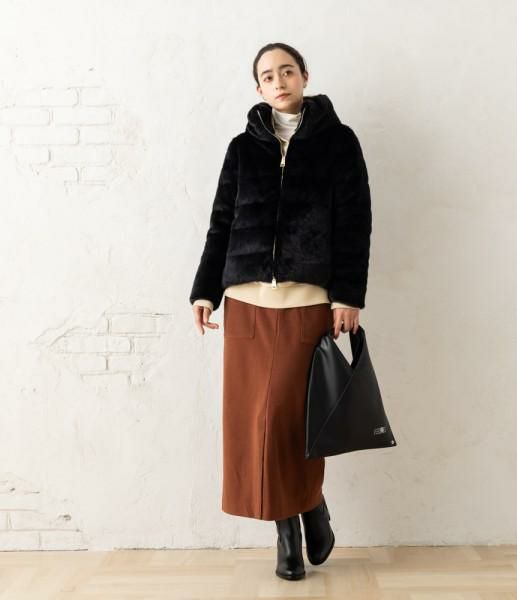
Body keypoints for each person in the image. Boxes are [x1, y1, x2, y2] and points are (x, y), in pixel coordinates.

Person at [189, 42, 372, 581]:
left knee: (289, 421)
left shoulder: (339, 143)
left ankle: (309, 505)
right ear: (259, 88)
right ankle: (289, 529)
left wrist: (347, 296)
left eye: (287, 71)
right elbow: (221, 222)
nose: (279, 81)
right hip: (246, 304)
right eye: (268, 75)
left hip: (306, 304)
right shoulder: (241, 149)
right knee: (254, 425)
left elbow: (355, 223)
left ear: (304, 76)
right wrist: (204, 291)